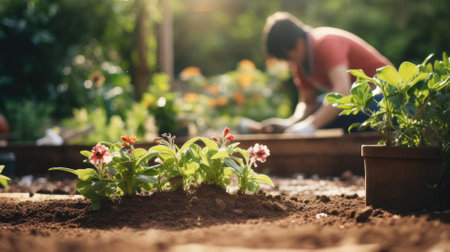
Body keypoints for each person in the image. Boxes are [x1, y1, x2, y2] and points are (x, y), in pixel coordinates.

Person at [238, 12, 392, 135]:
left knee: (334, 112)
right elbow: (308, 103)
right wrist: (292, 124)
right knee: (322, 107)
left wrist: (311, 125)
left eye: (288, 56)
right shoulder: (300, 60)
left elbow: (341, 91)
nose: (289, 62)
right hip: (358, 100)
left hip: (388, 98)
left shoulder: (326, 42)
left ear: (299, 43)